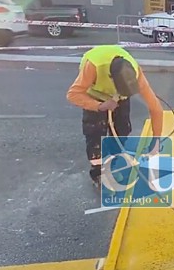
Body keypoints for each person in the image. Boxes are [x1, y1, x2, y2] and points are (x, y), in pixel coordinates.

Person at [66, 45, 164, 188]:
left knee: (121, 132)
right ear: (111, 78)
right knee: (95, 136)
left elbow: (156, 108)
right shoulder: (94, 66)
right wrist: (99, 106)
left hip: (119, 100)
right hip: (95, 96)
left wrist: (156, 140)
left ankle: (113, 164)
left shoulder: (135, 73)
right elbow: (73, 94)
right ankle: (98, 173)